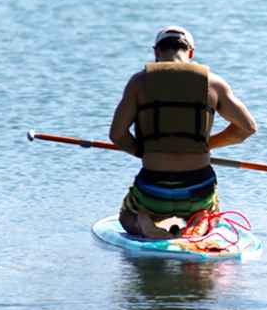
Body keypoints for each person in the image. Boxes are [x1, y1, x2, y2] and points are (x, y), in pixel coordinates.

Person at [109, 26, 257, 239]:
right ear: (191, 52)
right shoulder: (213, 83)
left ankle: (143, 223)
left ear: (156, 52)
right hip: (198, 188)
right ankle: (200, 221)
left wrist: (144, 151)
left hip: (154, 188)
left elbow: (117, 134)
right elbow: (247, 128)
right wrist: (206, 145)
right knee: (212, 212)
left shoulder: (138, 83)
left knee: (126, 216)